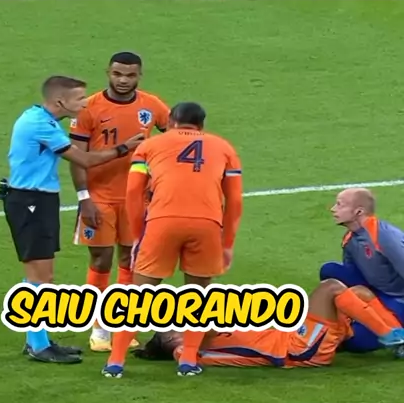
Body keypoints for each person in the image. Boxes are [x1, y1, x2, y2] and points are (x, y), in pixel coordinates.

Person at [3, 75, 144, 364]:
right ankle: (38, 346)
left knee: (40, 276)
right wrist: (125, 147)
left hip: (37, 200)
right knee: (41, 277)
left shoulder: (43, 119)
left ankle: (38, 341)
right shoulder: (40, 125)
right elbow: (85, 160)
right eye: (79, 98)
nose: (84, 103)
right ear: (60, 101)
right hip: (31, 202)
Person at [103, 101, 243, 379]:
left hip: (162, 222)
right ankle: (188, 361)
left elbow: (133, 194)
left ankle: (115, 362)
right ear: (201, 125)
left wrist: (139, 233)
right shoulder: (224, 148)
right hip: (206, 225)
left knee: (139, 296)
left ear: (170, 122)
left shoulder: (149, 146)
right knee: (197, 296)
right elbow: (235, 201)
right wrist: (227, 243)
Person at [69, 52, 169, 353]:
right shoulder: (89, 108)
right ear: (108, 73)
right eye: (117, 74)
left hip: (137, 199)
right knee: (101, 260)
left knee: (131, 260)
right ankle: (99, 328)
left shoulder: (152, 105)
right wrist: (84, 198)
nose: (123, 80)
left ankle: (122, 326)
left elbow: (176, 137)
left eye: (130, 75)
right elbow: (77, 157)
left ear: (140, 75)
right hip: (99, 197)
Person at [133, 279, 404, 369]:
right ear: (173, 342)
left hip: (296, 336)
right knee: (331, 287)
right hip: (297, 350)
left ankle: (398, 340)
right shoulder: (185, 351)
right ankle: (391, 336)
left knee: (358, 293)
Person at [320, 188, 404, 353]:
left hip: (398, 299)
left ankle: (396, 332)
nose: (333, 209)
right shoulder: (350, 239)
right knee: (330, 271)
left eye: (340, 205)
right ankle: (361, 318)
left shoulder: (385, 237)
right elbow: (351, 282)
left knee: (356, 342)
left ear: (358, 211)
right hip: (374, 291)